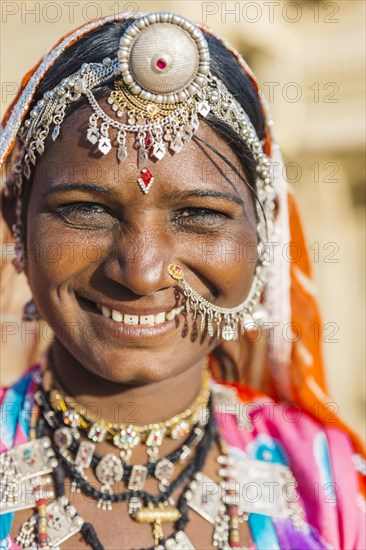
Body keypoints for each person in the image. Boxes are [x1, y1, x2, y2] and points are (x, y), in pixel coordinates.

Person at [0, 11, 365, 550]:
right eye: (86, 210)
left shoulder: (328, 482)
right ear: (16, 224)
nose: (143, 272)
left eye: (199, 215)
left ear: (265, 235)